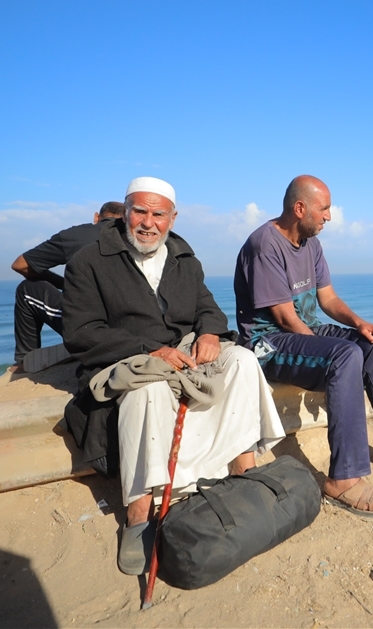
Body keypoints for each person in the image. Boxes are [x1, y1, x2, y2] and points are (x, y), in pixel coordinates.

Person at [63, 177, 285, 575]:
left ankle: (243, 470)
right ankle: (139, 513)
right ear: (126, 212)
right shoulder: (88, 261)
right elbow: (81, 332)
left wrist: (210, 334)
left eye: (158, 214)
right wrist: (151, 350)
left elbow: (208, 308)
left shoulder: (183, 258)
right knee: (145, 392)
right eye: (140, 212)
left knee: (242, 361)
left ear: (173, 218)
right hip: (127, 356)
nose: (148, 223)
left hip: (182, 353)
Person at [234, 175, 373, 519]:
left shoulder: (311, 244)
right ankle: (344, 478)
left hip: (304, 329)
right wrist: (328, 352)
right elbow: (284, 318)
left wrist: (361, 324)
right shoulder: (264, 245)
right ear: (300, 208)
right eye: (323, 209)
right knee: (344, 356)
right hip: (267, 342)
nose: (329, 216)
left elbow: (328, 298)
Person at [11, 201, 124, 367]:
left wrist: (65, 284)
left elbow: (20, 265)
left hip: (90, 329)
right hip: (131, 327)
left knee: (27, 290)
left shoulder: (77, 235)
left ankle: (24, 361)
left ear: (96, 217)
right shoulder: (139, 238)